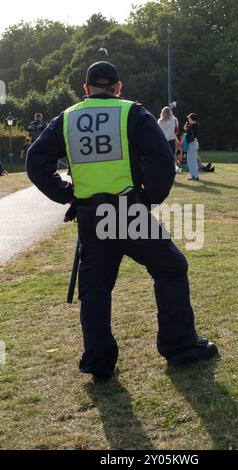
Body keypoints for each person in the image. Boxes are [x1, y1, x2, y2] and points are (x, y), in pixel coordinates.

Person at [26, 61, 218, 384]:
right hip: (127, 211)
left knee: (95, 288)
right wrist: (147, 199)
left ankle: (98, 361)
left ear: (85, 89)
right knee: (170, 268)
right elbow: (161, 162)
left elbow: (36, 162)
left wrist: (68, 195)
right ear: (118, 87)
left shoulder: (67, 118)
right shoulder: (133, 113)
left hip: (90, 215)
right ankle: (179, 344)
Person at [184, 113, 200, 180]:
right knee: (194, 160)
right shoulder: (197, 124)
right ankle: (195, 175)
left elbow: (188, 135)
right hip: (196, 142)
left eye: (189, 118)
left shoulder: (191, 126)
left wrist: (185, 129)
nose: (188, 119)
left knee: (190, 160)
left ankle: (192, 175)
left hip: (191, 143)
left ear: (191, 118)